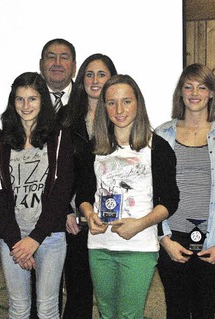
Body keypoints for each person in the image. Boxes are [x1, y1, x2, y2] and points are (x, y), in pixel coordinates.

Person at [76, 74, 179, 319]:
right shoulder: (94, 147)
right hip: (100, 245)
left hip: (139, 246)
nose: (119, 109)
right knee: (107, 314)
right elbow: (83, 194)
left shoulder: (158, 147)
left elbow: (170, 201)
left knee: (128, 316)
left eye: (126, 101)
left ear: (138, 104)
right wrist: (89, 214)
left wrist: (139, 224)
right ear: (104, 107)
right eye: (111, 102)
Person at [155, 64, 215, 318]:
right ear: (180, 92)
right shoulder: (162, 134)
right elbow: (154, 192)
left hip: (211, 239)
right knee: (176, 310)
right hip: (172, 238)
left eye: (202, 87)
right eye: (188, 86)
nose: (195, 93)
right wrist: (164, 240)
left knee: (205, 311)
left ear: (212, 93)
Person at [0, 72, 74, 318]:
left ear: (43, 101)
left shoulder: (58, 137)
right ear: (12, 102)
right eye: (20, 99)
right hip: (12, 238)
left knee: (47, 308)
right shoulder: (0, 141)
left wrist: (34, 239)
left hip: (50, 236)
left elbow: (61, 191)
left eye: (32, 99)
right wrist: (17, 242)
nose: (26, 106)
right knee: (18, 307)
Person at [59, 53, 118, 319]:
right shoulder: (65, 118)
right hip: (76, 217)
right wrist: (64, 210)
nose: (95, 80)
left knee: (112, 294)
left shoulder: (121, 115)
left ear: (112, 78)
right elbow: (56, 171)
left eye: (102, 74)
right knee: (78, 292)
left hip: (114, 218)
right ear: (81, 79)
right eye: (89, 74)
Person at [39, 38, 77, 118]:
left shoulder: (85, 99)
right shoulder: (27, 100)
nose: (57, 63)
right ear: (41, 65)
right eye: (51, 57)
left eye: (64, 58)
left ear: (74, 66)